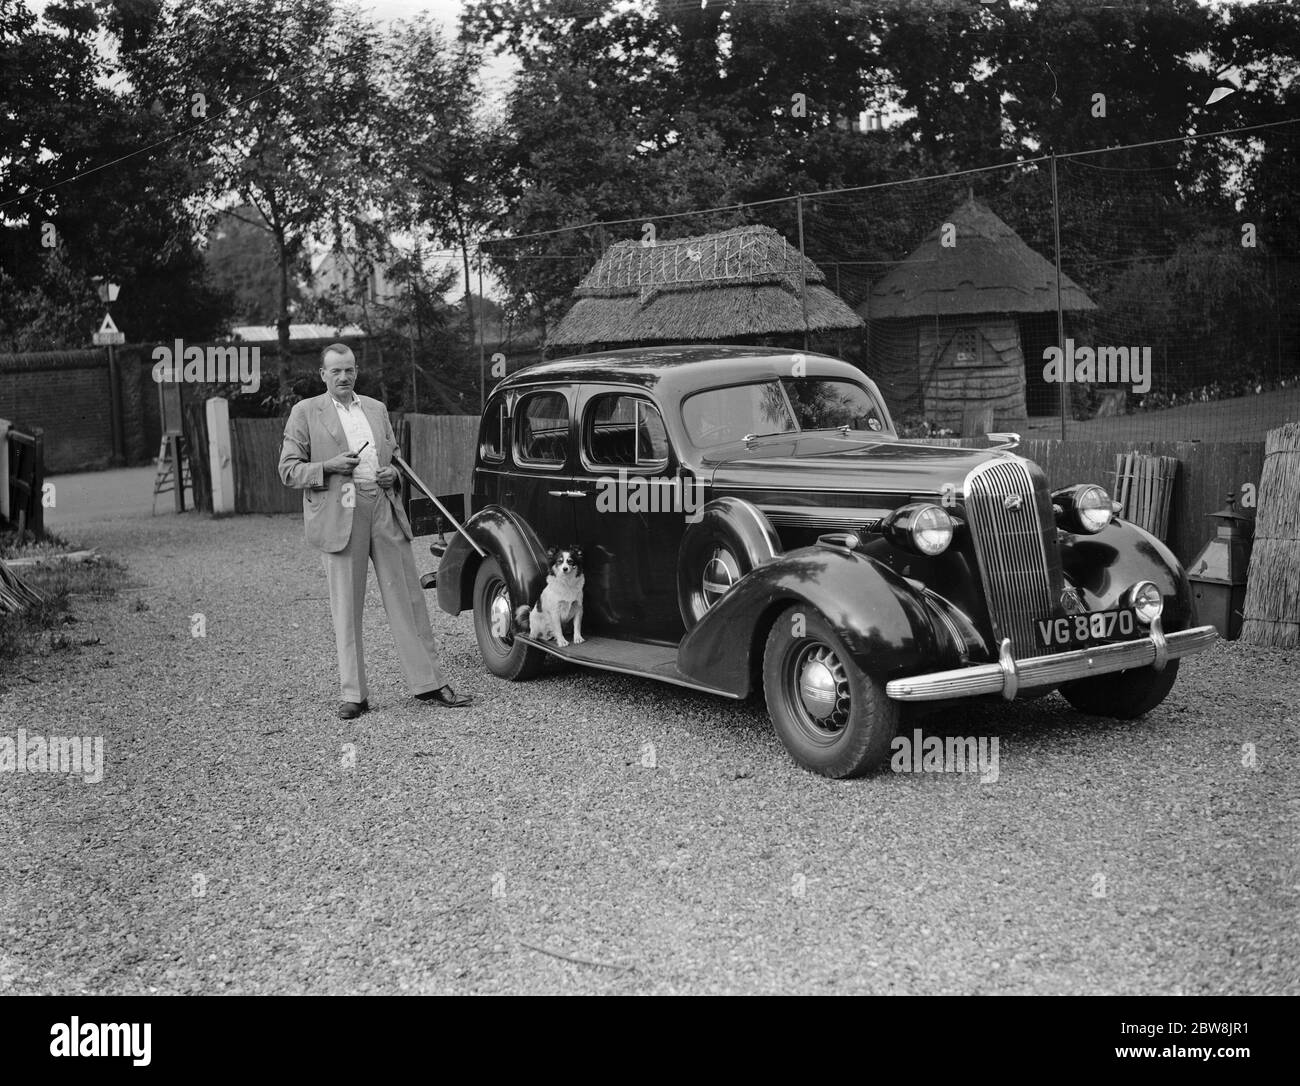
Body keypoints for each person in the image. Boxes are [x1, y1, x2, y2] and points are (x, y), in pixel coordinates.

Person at [278, 343, 472, 718]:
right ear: (323, 375)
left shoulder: (376, 409)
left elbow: (394, 457)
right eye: (335, 371)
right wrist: (329, 466)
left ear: (356, 372)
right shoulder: (305, 412)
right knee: (346, 606)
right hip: (341, 507)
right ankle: (355, 694)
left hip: (382, 503)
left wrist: (393, 474)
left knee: (409, 600)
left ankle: (429, 683)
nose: (344, 377)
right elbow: (288, 470)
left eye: (349, 369)